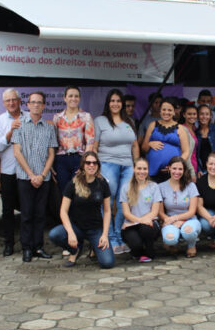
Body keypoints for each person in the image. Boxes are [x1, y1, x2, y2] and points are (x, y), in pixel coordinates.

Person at [93, 89, 140, 254]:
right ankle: (110, 237)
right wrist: (95, 167)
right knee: (107, 201)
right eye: (112, 101)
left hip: (128, 166)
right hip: (107, 164)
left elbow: (135, 146)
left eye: (118, 101)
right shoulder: (100, 121)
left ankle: (120, 237)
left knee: (123, 202)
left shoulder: (129, 122)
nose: (115, 104)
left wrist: (136, 166)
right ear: (108, 103)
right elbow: (94, 146)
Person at [49, 152, 114, 268]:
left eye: (94, 163)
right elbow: (63, 211)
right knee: (54, 234)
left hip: (95, 229)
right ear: (83, 165)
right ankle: (75, 250)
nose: (91, 165)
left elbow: (108, 211)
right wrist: (70, 233)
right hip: (77, 228)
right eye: (88, 162)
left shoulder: (103, 184)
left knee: (107, 263)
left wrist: (104, 234)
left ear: (98, 165)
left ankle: (94, 246)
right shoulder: (73, 183)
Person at [13, 92, 57, 262]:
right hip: (25, 178)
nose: (36, 105)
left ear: (44, 106)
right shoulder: (19, 126)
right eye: (33, 102)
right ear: (28, 105)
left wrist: (43, 174)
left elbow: (51, 153)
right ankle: (26, 248)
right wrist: (32, 175)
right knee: (27, 215)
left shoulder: (49, 127)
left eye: (40, 102)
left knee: (40, 215)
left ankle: (38, 247)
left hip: (43, 178)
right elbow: (17, 152)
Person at [0, 88, 27, 256]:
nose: (12, 103)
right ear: (4, 103)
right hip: (8, 172)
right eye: (8, 101)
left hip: (27, 171)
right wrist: (11, 132)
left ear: (20, 100)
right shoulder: (0, 121)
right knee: (7, 211)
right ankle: (8, 244)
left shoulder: (28, 117)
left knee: (27, 209)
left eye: (14, 99)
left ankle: (28, 243)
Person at [52, 85, 95, 192]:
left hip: (79, 159)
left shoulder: (86, 117)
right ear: (65, 98)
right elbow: (53, 142)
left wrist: (85, 163)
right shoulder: (57, 117)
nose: (73, 99)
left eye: (76, 96)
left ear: (79, 98)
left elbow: (90, 141)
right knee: (63, 191)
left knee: (77, 192)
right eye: (70, 96)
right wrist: (51, 163)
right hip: (61, 159)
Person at [120, 158, 162, 262]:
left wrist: (142, 221)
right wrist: (140, 221)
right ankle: (137, 251)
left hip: (149, 223)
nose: (142, 172)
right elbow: (126, 213)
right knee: (135, 244)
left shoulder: (154, 186)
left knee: (145, 228)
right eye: (139, 168)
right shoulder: (126, 188)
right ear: (134, 169)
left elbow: (154, 212)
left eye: (145, 169)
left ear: (148, 170)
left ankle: (149, 252)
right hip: (131, 224)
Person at [158, 157, 201, 258]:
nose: (177, 172)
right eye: (174, 168)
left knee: (188, 232)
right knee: (170, 239)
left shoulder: (191, 186)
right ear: (169, 168)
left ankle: (191, 245)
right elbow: (160, 212)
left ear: (184, 170)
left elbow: (192, 211)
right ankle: (173, 245)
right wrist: (172, 221)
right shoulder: (161, 187)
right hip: (169, 220)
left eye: (180, 169)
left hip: (189, 220)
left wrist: (179, 220)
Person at [143, 98, 190, 182]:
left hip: (173, 173)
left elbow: (186, 151)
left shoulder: (180, 128)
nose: (166, 112)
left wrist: (176, 166)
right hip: (153, 170)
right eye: (164, 109)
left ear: (174, 111)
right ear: (160, 111)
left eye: (169, 110)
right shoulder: (152, 125)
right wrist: (149, 144)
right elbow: (143, 148)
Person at [180, 103, 200, 177]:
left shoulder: (195, 129)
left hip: (195, 166)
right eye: (189, 114)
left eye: (194, 114)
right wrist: (192, 173)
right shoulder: (182, 129)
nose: (192, 116)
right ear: (184, 115)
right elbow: (185, 153)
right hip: (187, 168)